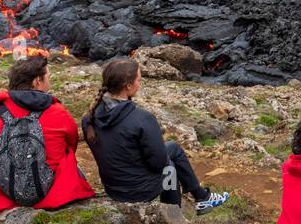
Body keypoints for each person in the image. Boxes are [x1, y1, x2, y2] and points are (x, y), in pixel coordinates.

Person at [81, 57, 230, 213]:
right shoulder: (142, 119)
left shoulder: (89, 118)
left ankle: (201, 197)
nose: (140, 83)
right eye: (139, 79)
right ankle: (173, 214)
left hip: (114, 187)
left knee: (173, 148)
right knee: (170, 168)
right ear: (128, 86)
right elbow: (158, 164)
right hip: (138, 191)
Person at [0, 54, 95, 217]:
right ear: (37, 82)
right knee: (67, 157)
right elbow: (71, 144)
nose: (50, 81)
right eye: (48, 76)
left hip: (1, 199)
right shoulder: (58, 113)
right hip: (55, 196)